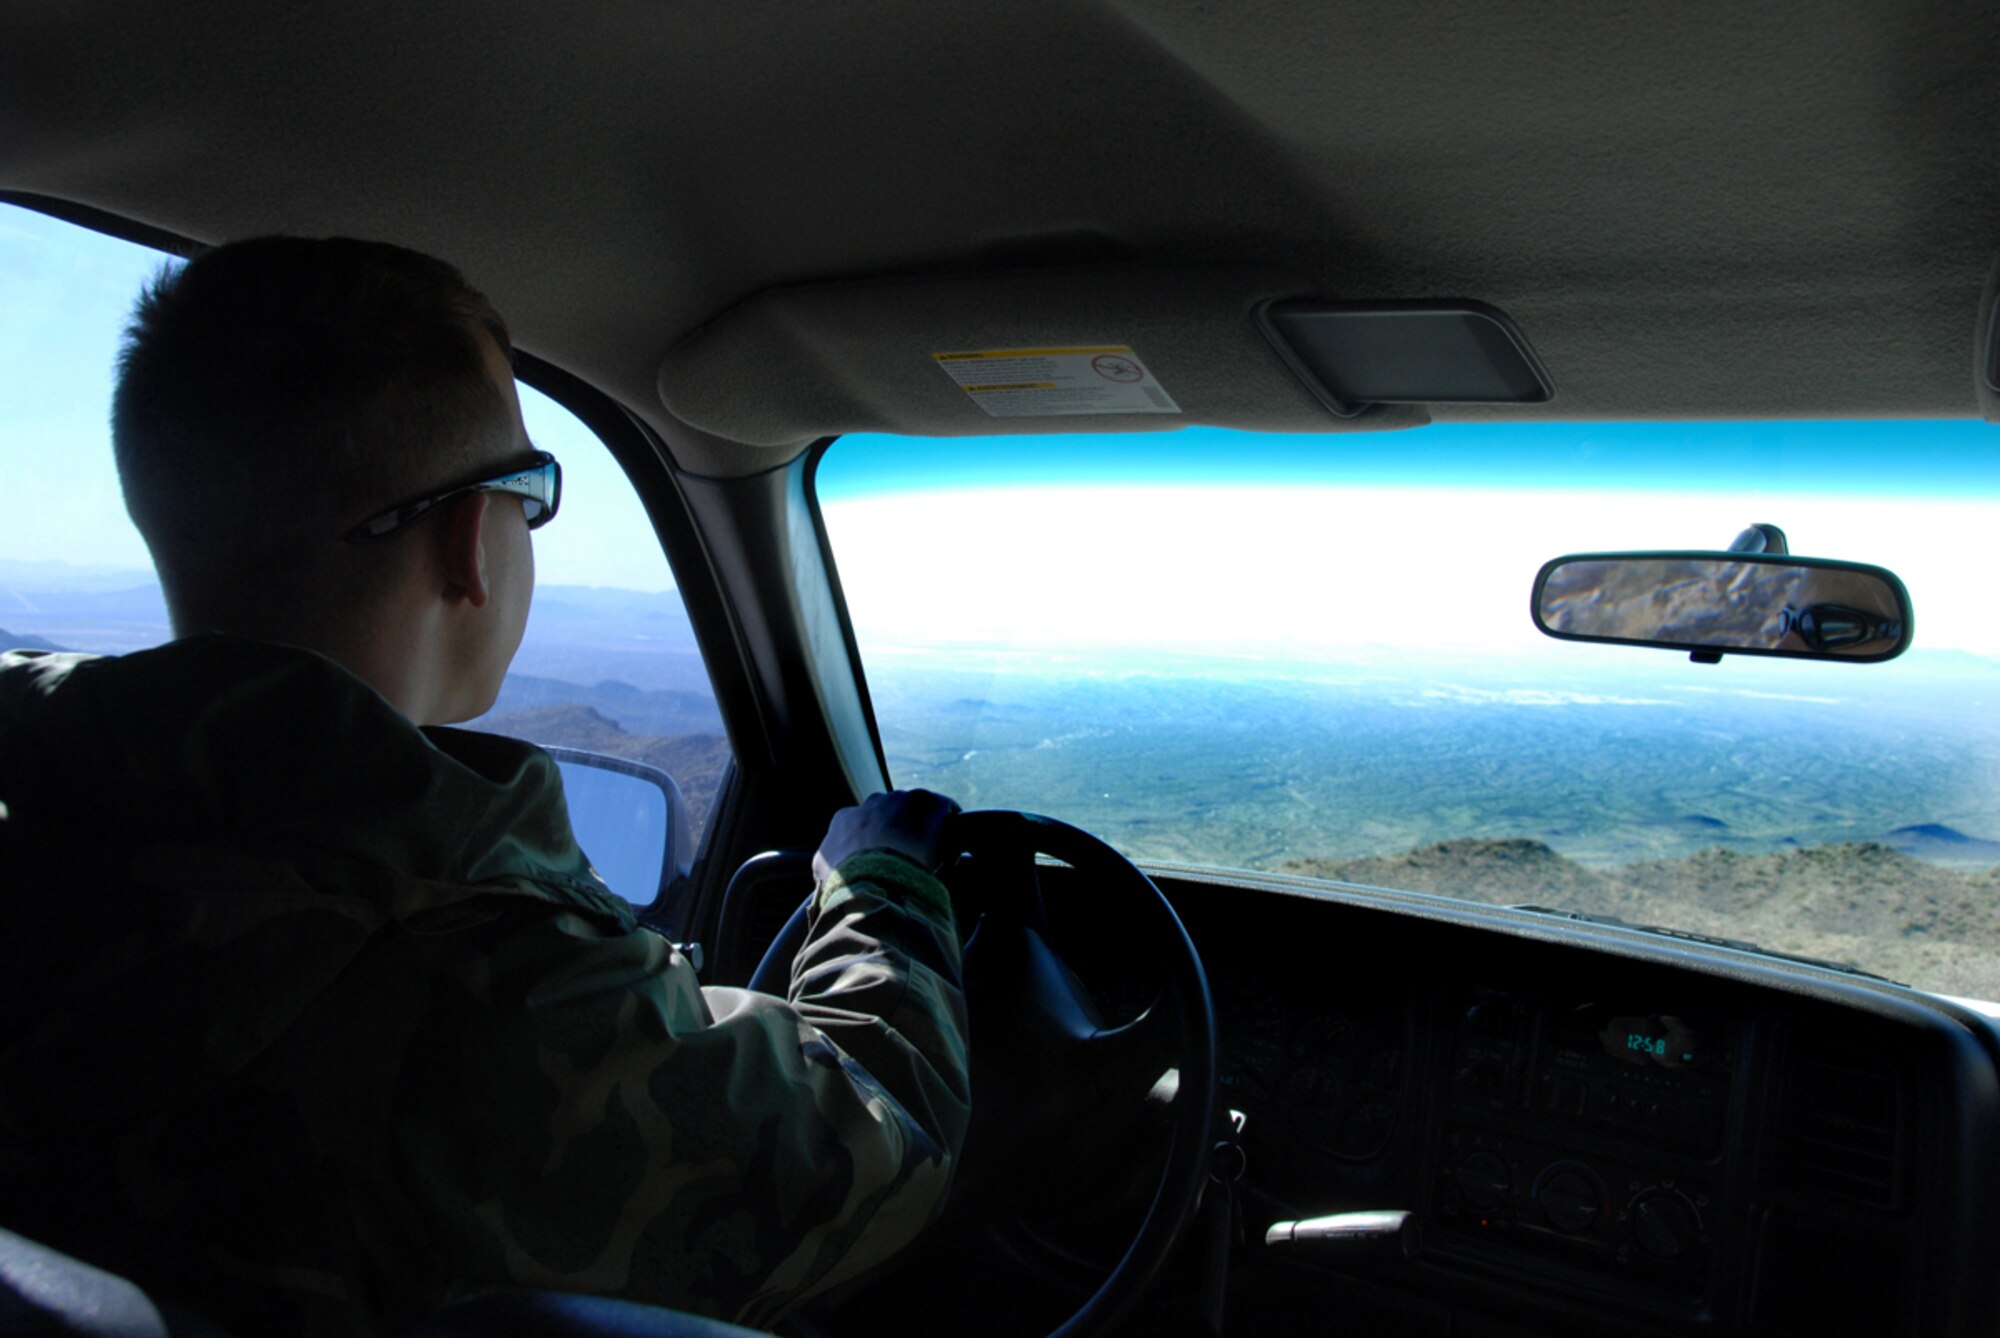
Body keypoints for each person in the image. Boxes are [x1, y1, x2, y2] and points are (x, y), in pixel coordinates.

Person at [0, 237, 969, 1335]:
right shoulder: (492, 993)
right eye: (531, 489)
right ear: (471, 538)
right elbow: (881, 1160)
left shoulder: (39, 836)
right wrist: (881, 889)